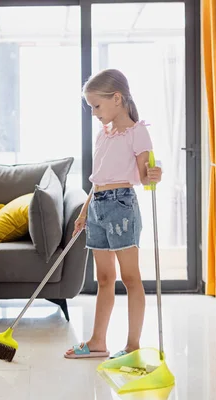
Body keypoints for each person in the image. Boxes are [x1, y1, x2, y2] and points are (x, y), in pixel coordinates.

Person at [64, 69, 162, 360]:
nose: (94, 113)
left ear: (117, 98)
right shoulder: (102, 135)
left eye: (97, 106)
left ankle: (133, 346)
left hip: (121, 207)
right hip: (97, 207)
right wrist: (84, 213)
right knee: (105, 278)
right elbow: (97, 180)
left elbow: (146, 178)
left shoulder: (137, 131)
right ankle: (97, 342)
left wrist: (155, 174)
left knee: (130, 278)